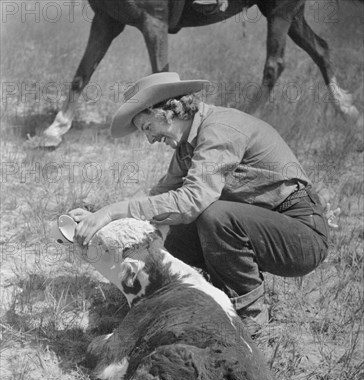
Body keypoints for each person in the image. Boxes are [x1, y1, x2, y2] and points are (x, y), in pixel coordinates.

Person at [70, 72, 329, 335]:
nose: (150, 140)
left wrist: (112, 211)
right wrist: (102, 220)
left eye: (148, 128)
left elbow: (192, 201)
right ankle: (209, 294)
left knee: (213, 216)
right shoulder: (186, 146)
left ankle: (250, 316)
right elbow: (157, 200)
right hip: (262, 229)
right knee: (165, 234)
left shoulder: (219, 128)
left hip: (302, 235)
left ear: (168, 109)